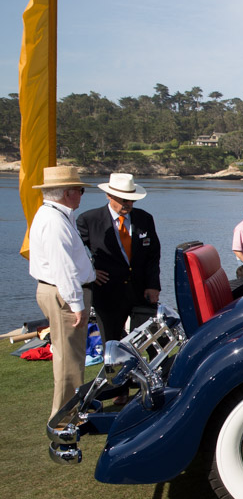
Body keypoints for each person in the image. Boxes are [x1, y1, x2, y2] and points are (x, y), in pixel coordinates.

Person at [28, 166, 96, 420]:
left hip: (59, 291)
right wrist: (76, 302)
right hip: (63, 293)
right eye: (80, 190)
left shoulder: (53, 215)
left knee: (71, 355)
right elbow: (63, 267)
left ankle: (70, 410)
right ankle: (64, 417)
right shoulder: (54, 221)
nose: (82, 194)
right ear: (68, 193)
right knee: (69, 359)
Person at [77, 173, 162, 347]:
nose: (128, 204)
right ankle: (113, 374)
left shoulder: (145, 219)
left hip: (141, 292)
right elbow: (75, 253)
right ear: (109, 195)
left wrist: (153, 285)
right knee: (112, 343)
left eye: (132, 200)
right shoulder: (88, 220)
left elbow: (153, 254)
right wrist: (90, 272)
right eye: (124, 200)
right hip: (107, 293)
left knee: (152, 342)